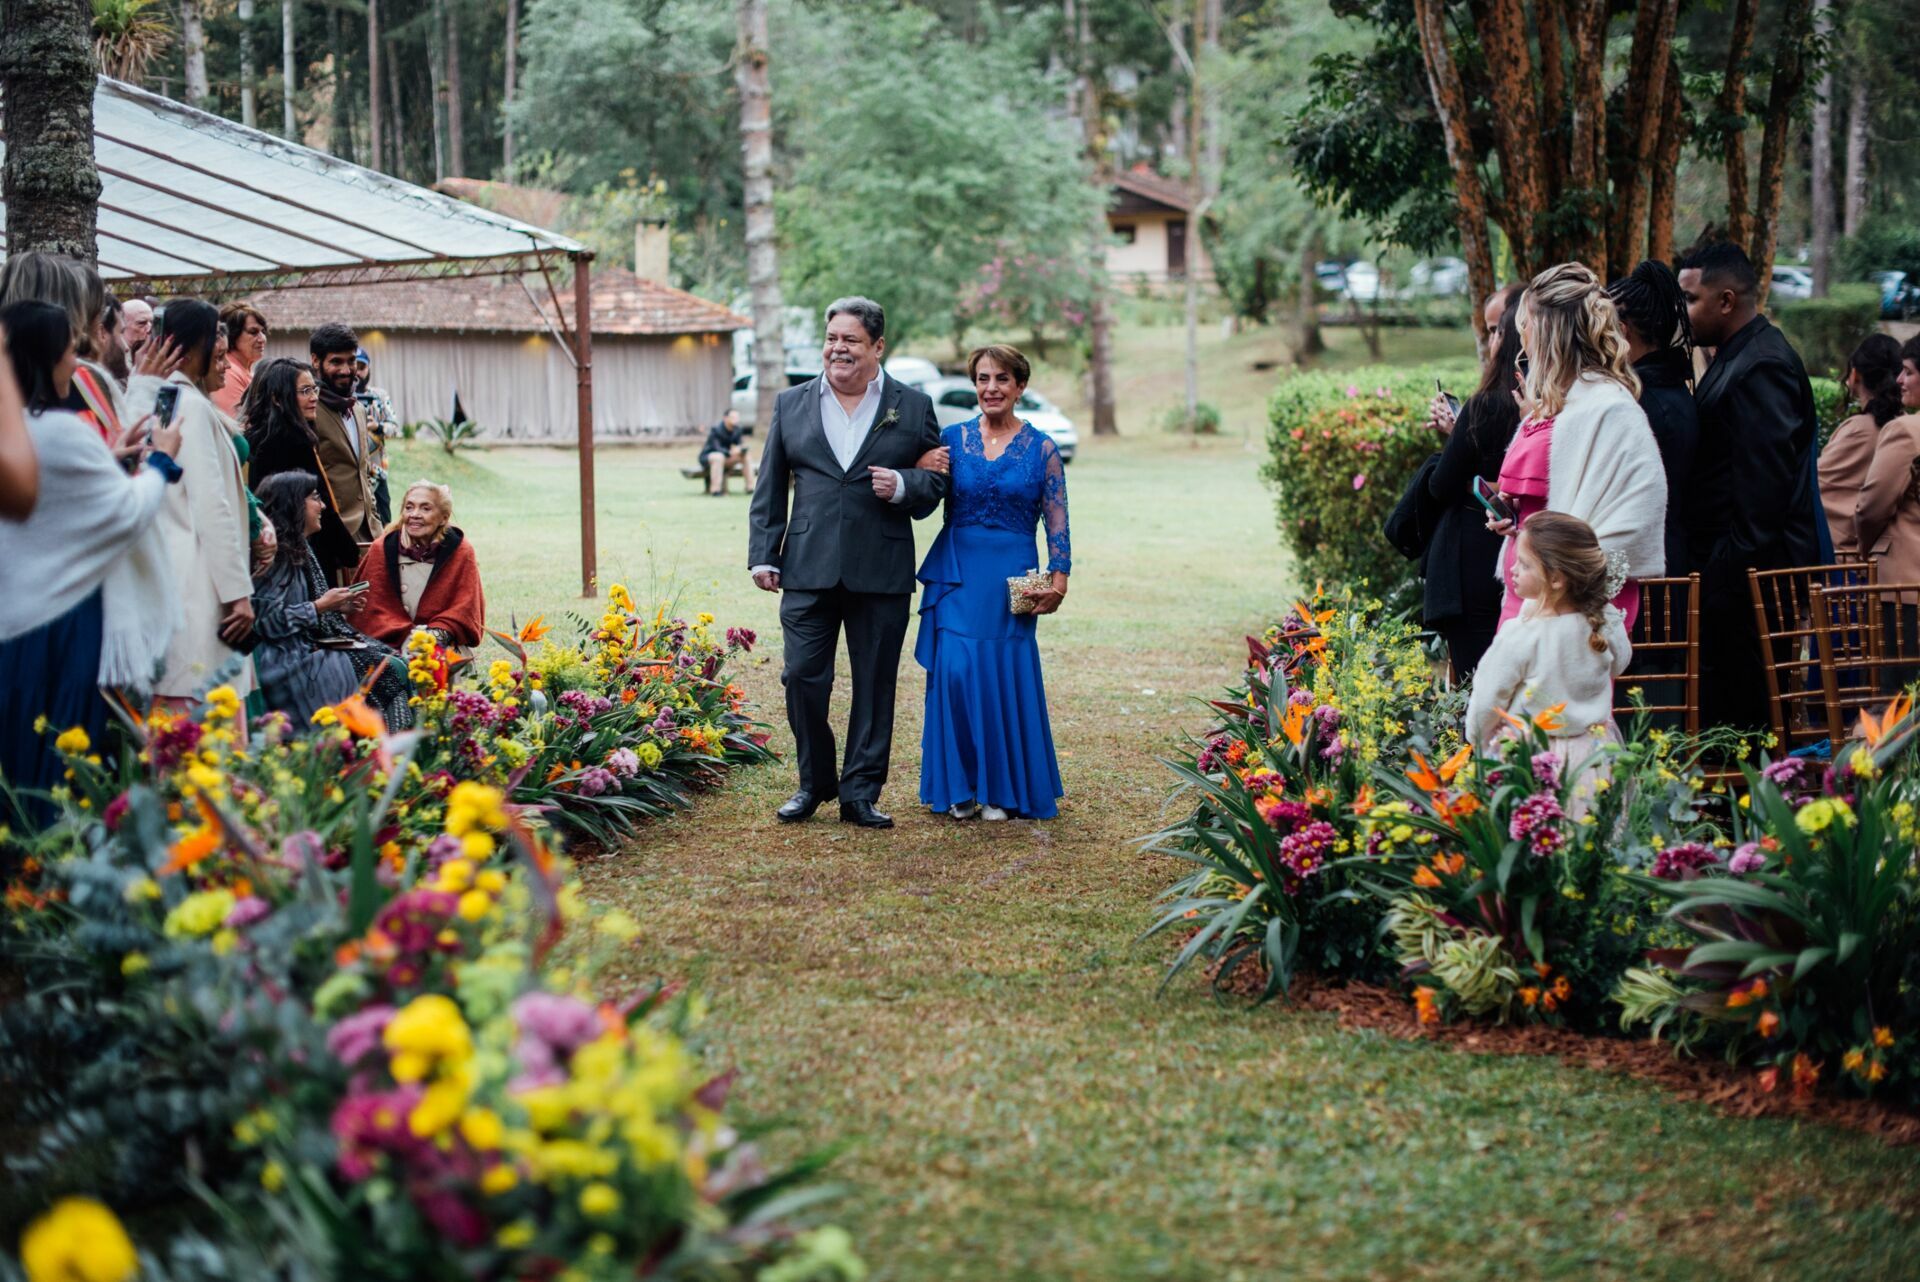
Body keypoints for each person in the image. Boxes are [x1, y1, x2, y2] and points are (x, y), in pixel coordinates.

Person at [746, 296, 947, 829]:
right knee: (801, 678)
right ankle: (813, 783)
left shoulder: (914, 405)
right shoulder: (791, 403)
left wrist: (905, 483)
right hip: (806, 567)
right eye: (832, 338)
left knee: (875, 683)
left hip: (881, 568)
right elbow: (770, 486)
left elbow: (936, 486)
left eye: (851, 340)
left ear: (878, 347)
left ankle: (860, 792)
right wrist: (763, 554)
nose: (838, 349)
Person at [0, 300, 183, 818]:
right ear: (45, 355)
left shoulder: (15, 432)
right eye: (68, 349)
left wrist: (106, 460)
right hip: (65, 622)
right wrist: (161, 462)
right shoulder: (61, 431)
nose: (76, 362)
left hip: (13, 623)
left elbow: (49, 497)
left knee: (18, 753)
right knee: (65, 758)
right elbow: (127, 512)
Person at [910, 344, 1068, 821]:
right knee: (956, 672)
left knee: (1003, 673)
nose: (991, 388)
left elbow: (1057, 521)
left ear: (1019, 387)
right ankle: (959, 786)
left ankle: (1000, 790)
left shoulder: (1042, 449)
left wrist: (1059, 581)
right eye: (982, 378)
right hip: (957, 572)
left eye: (1002, 379)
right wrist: (919, 472)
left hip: (1013, 577)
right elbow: (923, 500)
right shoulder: (951, 440)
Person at [1678, 240, 1827, 730]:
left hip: (1749, 589)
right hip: (1734, 581)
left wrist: (1716, 580)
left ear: (1726, 301)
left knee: (1746, 727)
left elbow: (1762, 499)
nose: (1683, 312)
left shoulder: (1762, 365)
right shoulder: (1736, 355)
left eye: (1691, 299)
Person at [1488, 263, 1666, 631]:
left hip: (1573, 605)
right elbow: (1543, 500)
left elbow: (1641, 507)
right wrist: (1513, 515)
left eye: (1527, 325)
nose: (1522, 338)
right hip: (1525, 597)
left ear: (1551, 331)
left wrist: (1563, 568)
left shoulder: (1610, 407)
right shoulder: (1550, 405)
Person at [1465, 511, 1632, 808]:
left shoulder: (1520, 635)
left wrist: (1477, 740)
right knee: (1592, 836)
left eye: (1524, 564)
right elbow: (1621, 662)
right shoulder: (1602, 620)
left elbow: (1487, 700)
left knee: (1539, 835)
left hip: (1533, 761)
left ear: (1556, 578)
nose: (1513, 569)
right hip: (1594, 755)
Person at [1407, 287, 1525, 679]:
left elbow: (1443, 484)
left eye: (1496, 331)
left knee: (1477, 679)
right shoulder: (1541, 401)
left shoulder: (1489, 403)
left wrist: (1458, 440)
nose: (1491, 340)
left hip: (1475, 553)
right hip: (1520, 557)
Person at [153, 299, 257, 705]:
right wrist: (237, 592)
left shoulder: (165, 397)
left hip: (172, 574)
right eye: (215, 334)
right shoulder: (191, 407)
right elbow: (212, 505)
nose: (222, 344)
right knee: (203, 712)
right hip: (199, 580)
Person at [251, 470, 414, 728]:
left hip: (305, 648)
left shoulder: (299, 548)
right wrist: (320, 606)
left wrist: (337, 606)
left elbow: (302, 609)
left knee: (393, 663)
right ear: (294, 503)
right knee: (388, 671)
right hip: (285, 660)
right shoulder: (277, 557)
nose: (323, 505)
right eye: (316, 497)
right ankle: (387, 750)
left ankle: (390, 749)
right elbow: (265, 621)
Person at [1607, 260, 1700, 576]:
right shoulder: (1670, 389)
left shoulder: (1640, 401)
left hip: (1648, 572)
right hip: (1666, 559)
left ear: (1621, 332)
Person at [243, 357, 360, 579]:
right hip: (301, 550)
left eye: (314, 389)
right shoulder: (292, 442)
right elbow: (318, 501)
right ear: (278, 399)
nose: (314, 397)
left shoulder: (262, 437)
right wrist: (349, 552)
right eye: (305, 391)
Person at [350, 479, 486, 653]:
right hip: (386, 644)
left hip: (442, 644)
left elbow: (465, 609)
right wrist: (406, 637)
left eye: (425, 508)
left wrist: (434, 636)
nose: (414, 514)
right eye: (409, 507)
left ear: (444, 518)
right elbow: (369, 611)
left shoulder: (461, 551)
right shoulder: (383, 548)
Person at [1818, 334, 1905, 556]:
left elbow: (1816, 485)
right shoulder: (1902, 426)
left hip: (1839, 554)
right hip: (1882, 554)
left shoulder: (1858, 430)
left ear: (1854, 374)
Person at [309, 323, 379, 551]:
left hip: (370, 533)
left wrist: (375, 517)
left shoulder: (358, 408)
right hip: (330, 538)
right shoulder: (308, 410)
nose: (347, 370)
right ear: (315, 361)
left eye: (351, 361)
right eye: (336, 361)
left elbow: (363, 472)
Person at [353, 348, 396, 525]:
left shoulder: (379, 396)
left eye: (361, 367)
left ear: (368, 369)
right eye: (353, 366)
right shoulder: (338, 398)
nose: (357, 372)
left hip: (376, 473)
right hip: (352, 473)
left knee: (384, 521)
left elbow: (394, 428)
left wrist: (376, 426)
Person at [212, 302, 268, 418]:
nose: (262, 339)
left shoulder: (245, 371)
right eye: (253, 332)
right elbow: (236, 425)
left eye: (263, 332)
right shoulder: (228, 372)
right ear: (233, 334)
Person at [699, 408, 756, 496]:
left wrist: (742, 449)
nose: (736, 419)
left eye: (737, 417)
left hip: (726, 458)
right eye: (733, 417)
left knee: (746, 455)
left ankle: (750, 488)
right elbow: (716, 448)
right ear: (725, 418)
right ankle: (716, 490)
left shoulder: (737, 430)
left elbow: (739, 444)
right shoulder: (716, 430)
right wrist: (732, 452)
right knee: (718, 456)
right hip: (709, 457)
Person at [120, 298, 154, 366]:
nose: (149, 329)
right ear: (122, 324)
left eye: (152, 323)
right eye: (142, 323)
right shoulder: (111, 357)